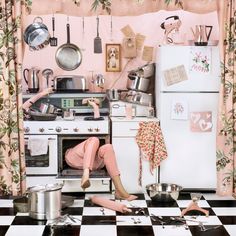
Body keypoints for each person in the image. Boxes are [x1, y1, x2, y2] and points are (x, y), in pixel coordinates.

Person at [65, 137, 137, 201]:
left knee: (108, 147)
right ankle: (86, 173)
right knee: (94, 139)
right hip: (73, 158)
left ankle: (119, 190)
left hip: (93, 164)